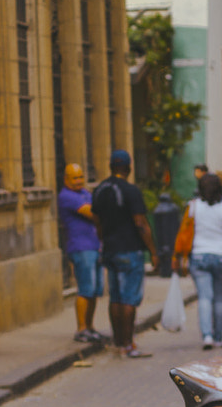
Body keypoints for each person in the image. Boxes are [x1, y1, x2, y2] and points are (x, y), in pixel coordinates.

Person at [91, 149, 159, 357]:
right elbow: (140, 223)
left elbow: (97, 221)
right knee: (129, 299)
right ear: (128, 168)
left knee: (116, 298)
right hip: (130, 251)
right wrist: (153, 251)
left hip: (110, 250)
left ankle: (118, 343)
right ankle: (129, 345)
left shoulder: (100, 189)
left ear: (111, 167)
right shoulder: (131, 191)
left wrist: (104, 238)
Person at [176, 173, 222, 350]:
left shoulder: (193, 207)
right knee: (218, 298)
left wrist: (176, 256)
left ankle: (207, 336)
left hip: (199, 255)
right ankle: (219, 336)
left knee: (204, 298)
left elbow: (183, 233)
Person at [57, 162, 106, 344]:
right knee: (85, 289)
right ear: (66, 180)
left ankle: (90, 326)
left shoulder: (84, 193)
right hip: (81, 247)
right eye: (74, 178)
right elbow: (93, 212)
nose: (79, 181)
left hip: (94, 246)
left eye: (80, 177)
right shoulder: (67, 196)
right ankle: (81, 328)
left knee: (94, 290)